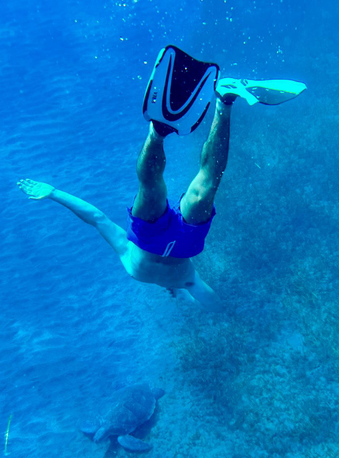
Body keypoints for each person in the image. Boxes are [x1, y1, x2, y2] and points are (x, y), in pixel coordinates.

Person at [18, 46, 306, 309]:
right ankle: (225, 99)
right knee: (209, 184)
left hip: (147, 237)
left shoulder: (133, 269)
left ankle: (157, 131)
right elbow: (218, 307)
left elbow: (97, 218)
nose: (176, 296)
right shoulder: (189, 281)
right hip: (186, 243)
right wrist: (230, 316)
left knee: (151, 187)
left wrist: (53, 193)